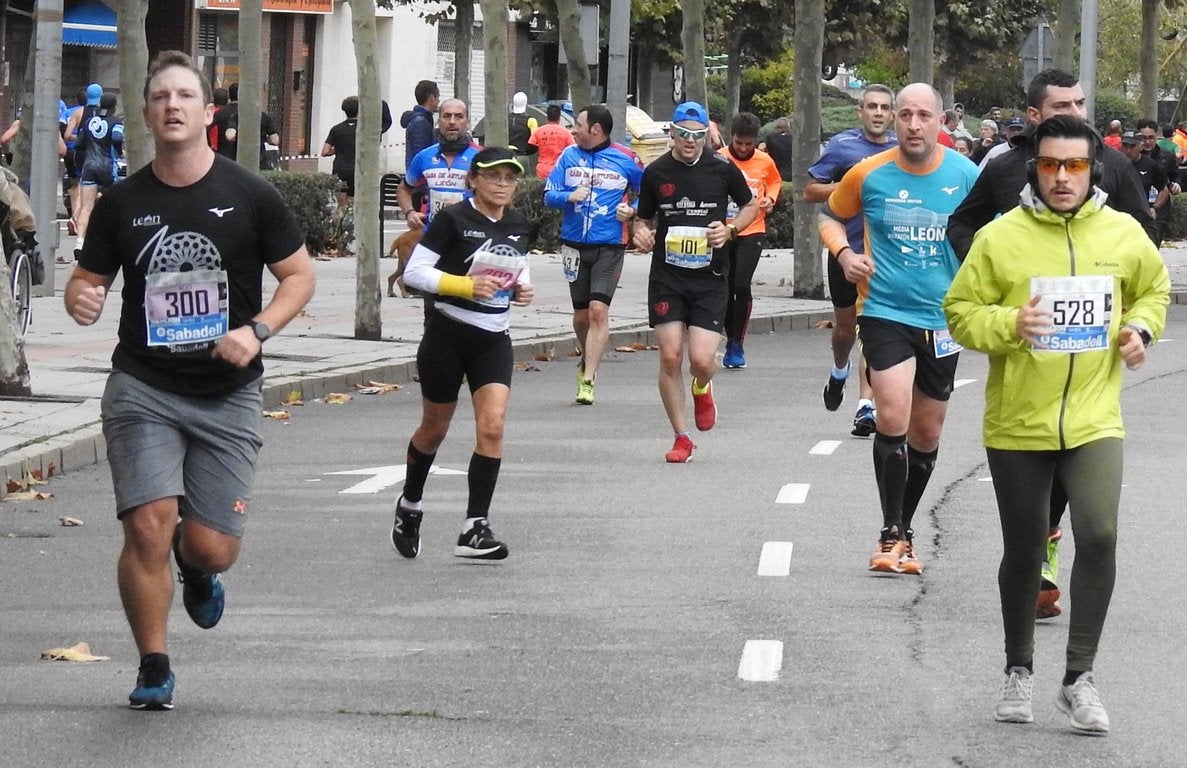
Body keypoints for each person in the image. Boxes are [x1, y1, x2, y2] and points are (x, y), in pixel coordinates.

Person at [63, 50, 315, 711]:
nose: (171, 105)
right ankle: (153, 664)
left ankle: (197, 567)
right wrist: (79, 299)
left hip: (228, 391)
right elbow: (85, 282)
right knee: (148, 523)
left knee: (212, 546)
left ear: (208, 113)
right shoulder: (122, 201)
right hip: (143, 386)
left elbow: (300, 277)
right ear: (146, 114)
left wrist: (255, 330)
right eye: (159, 96)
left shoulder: (250, 194)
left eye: (184, 95)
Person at [944, 114, 1169, 733]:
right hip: (1019, 422)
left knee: (1098, 534)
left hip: (1096, 416)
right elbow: (961, 312)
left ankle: (1079, 677)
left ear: (1092, 169)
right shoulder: (1000, 238)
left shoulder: (1123, 233)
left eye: (1074, 166)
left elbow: (1153, 291)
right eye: (1050, 165)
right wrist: (1009, 326)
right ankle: (1018, 669)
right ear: (1034, 169)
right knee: (1025, 547)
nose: (1062, 177)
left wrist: (1140, 329)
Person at [818, 83, 978, 574]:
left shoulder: (967, 175)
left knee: (926, 434)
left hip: (944, 316)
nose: (912, 124)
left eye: (922, 115)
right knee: (891, 412)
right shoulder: (869, 173)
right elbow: (828, 216)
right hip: (885, 309)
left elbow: (995, 233)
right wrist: (844, 254)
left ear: (939, 122)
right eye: (904, 115)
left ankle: (905, 529)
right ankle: (889, 534)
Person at [390, 146, 535, 562]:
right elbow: (416, 273)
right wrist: (463, 286)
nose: (502, 185)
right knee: (434, 428)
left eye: (509, 178)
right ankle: (410, 504)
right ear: (474, 180)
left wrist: (523, 287)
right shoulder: (453, 219)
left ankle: (475, 527)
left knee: (492, 425)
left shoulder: (520, 224)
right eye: (493, 177)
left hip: (493, 338)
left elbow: (514, 265)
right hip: (447, 335)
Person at [628, 101, 758, 463]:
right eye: (683, 134)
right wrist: (640, 233)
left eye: (697, 135)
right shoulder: (656, 173)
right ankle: (681, 437)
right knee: (670, 356)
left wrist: (730, 229)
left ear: (706, 135)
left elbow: (750, 207)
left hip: (710, 279)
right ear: (672, 133)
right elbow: (643, 219)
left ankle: (702, 386)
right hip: (668, 276)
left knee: (701, 359)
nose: (689, 141)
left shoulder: (722, 169)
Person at [805, 84, 897, 437]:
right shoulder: (843, 146)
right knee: (845, 331)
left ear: (891, 115)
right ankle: (839, 370)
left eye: (884, 107)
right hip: (844, 251)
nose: (877, 112)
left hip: (882, 257)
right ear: (860, 111)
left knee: (873, 330)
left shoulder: (898, 151)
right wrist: (851, 186)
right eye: (871, 106)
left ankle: (865, 406)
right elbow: (810, 190)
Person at [543, 104, 642, 404]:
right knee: (581, 316)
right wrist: (567, 196)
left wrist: (634, 211)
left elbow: (650, 193)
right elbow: (548, 195)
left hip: (610, 245)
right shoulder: (568, 156)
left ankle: (588, 378)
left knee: (599, 311)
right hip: (573, 244)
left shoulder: (626, 159)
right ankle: (587, 357)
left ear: (596, 129)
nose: (573, 130)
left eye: (579, 125)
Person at [717, 112, 782, 369]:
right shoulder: (719, 158)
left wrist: (770, 199)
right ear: (731, 137)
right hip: (723, 230)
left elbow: (775, 181)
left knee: (741, 285)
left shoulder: (765, 161)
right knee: (723, 286)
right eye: (738, 143)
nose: (743, 149)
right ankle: (727, 333)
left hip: (752, 230)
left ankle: (736, 343)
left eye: (748, 144)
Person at [397, 98, 480, 232]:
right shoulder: (424, 157)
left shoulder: (481, 156)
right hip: (433, 236)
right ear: (438, 121)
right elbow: (403, 189)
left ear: (468, 123)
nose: (452, 121)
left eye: (459, 116)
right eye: (447, 116)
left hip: (470, 236)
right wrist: (410, 212)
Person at [71, 91, 124, 262]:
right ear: (114, 107)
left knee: (86, 206)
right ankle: (108, 241)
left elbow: (78, 144)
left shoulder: (88, 122)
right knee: (110, 206)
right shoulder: (116, 122)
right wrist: (118, 150)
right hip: (107, 167)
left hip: (89, 167)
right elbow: (117, 137)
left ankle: (79, 242)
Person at [64, 84, 102, 233]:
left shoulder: (79, 112)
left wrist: (80, 137)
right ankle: (79, 219)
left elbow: (67, 136)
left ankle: (77, 218)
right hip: (98, 154)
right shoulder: (103, 115)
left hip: (80, 154)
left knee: (82, 185)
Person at [322, 95, 360, 208]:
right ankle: (351, 225)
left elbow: (324, 152)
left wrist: (336, 149)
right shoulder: (363, 129)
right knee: (353, 207)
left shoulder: (336, 129)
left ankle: (338, 225)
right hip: (356, 171)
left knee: (341, 206)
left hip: (340, 170)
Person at [529, 103, 575, 180]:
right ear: (559, 118)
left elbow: (530, 147)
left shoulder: (538, 131)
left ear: (547, 117)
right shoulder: (566, 133)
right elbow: (572, 150)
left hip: (542, 170)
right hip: (559, 169)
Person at [508, 91, 539, 174]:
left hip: (506, 157)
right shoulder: (531, 120)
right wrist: (527, 152)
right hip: (522, 156)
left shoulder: (505, 119)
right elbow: (535, 142)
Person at [757, 117, 793, 181]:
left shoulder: (770, 138)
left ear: (776, 127)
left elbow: (761, 149)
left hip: (774, 172)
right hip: (790, 174)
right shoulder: (793, 139)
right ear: (788, 127)